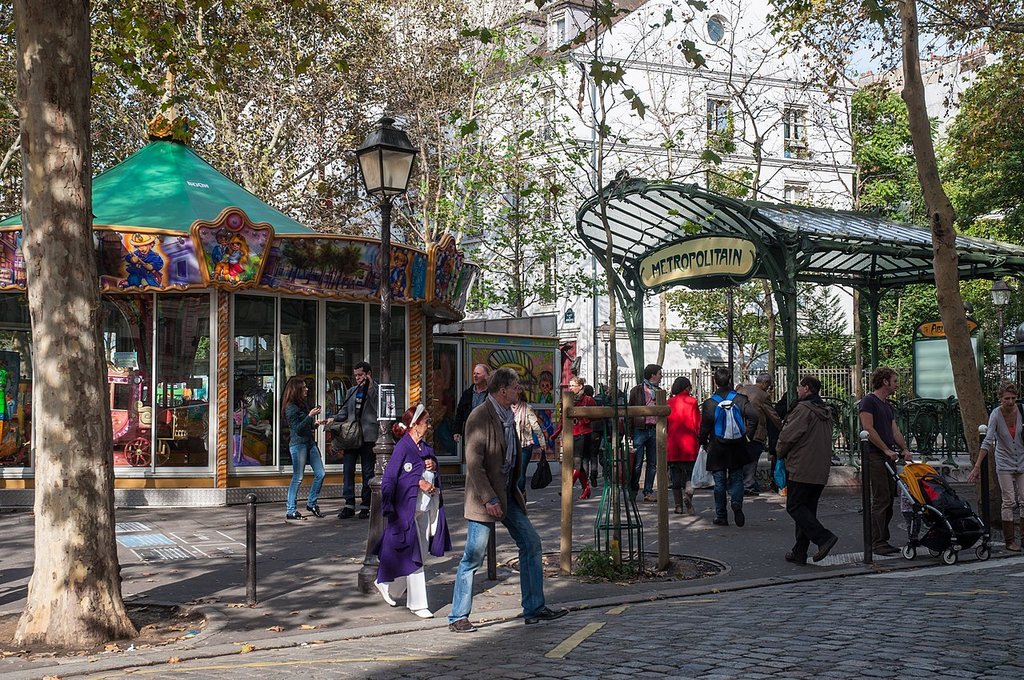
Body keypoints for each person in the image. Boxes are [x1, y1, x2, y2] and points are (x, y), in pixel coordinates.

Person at [448, 367, 568, 633]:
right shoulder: (479, 417)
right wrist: (489, 497)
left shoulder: (508, 415)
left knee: (531, 543)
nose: (518, 391)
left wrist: (515, 490)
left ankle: (534, 607)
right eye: (515, 387)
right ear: (503, 390)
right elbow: (474, 465)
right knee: (474, 555)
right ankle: (458, 615)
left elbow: (511, 459)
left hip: (508, 494)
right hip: (484, 498)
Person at [374, 404, 451, 618]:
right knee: (415, 556)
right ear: (415, 424)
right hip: (407, 511)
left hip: (424, 508)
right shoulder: (402, 447)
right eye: (426, 422)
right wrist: (417, 482)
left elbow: (430, 462)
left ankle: (389, 587)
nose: (429, 426)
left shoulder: (423, 447)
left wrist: (432, 466)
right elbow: (391, 477)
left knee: (422, 554)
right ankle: (418, 604)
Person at [776, 375, 839, 564]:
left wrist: (779, 451)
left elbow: (788, 436)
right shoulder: (825, 412)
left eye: (799, 387)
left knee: (794, 506)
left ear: (807, 388)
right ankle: (799, 551)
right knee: (807, 511)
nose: (797, 390)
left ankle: (823, 537)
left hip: (802, 466)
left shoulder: (803, 409)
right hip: (819, 468)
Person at [859, 366, 913, 555]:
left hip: (886, 456)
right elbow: (868, 428)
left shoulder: (887, 406)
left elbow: (894, 430)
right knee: (881, 498)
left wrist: (904, 448)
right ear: (885, 382)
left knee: (889, 497)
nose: (897, 385)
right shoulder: (868, 402)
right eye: (895, 381)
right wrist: (885, 448)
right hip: (874, 455)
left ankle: (883, 538)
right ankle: (877, 541)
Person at [970, 382, 1024, 552]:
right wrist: (977, 466)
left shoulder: (1022, 410)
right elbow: (988, 440)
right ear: (1000, 399)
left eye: (1013, 398)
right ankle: (1009, 540)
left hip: (1022, 459)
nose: (1010, 402)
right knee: (1008, 500)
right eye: (1006, 398)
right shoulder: (996, 414)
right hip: (1005, 461)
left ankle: (1023, 537)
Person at [699, 367, 756, 527]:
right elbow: (754, 416)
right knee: (737, 477)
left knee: (719, 482)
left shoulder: (710, 403)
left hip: (717, 446)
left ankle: (721, 516)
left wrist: (702, 442)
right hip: (737, 444)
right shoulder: (740, 399)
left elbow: (705, 426)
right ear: (730, 379)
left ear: (715, 381)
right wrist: (747, 435)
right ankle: (737, 503)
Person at [281, 376, 332, 520]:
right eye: (303, 387)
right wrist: (310, 416)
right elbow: (297, 429)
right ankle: (291, 510)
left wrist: (316, 423)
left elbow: (306, 425)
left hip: (309, 443)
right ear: (296, 390)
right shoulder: (290, 407)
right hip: (298, 444)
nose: (307, 389)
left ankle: (311, 503)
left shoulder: (301, 404)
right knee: (298, 477)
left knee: (320, 473)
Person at [338, 361, 379, 519]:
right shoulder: (351, 391)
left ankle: (365, 504)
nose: (357, 378)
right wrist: (332, 419)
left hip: (369, 437)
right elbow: (344, 412)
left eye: (360, 375)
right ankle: (348, 503)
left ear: (368, 374)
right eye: (355, 375)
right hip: (352, 436)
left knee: (367, 472)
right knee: (348, 470)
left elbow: (378, 408)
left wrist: (369, 389)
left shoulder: (376, 390)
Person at [738, 373, 783, 496]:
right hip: (756, 432)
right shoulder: (763, 395)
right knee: (752, 459)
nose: (769, 388)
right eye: (769, 385)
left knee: (741, 459)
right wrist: (782, 427)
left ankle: (740, 484)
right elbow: (772, 414)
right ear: (765, 383)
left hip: (740, 430)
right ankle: (748, 485)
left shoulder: (742, 390)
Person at [628, 364, 663, 502]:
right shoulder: (637, 390)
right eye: (660, 373)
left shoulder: (660, 391)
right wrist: (630, 431)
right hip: (640, 429)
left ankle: (648, 491)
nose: (661, 376)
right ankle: (633, 488)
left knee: (652, 463)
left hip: (654, 429)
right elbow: (630, 410)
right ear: (652, 375)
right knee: (636, 463)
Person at [667, 376, 700, 515]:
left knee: (675, 476)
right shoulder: (693, 402)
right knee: (690, 475)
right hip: (689, 443)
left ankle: (678, 506)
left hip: (673, 443)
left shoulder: (668, 402)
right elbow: (697, 423)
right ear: (687, 387)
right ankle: (688, 495)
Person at [567, 376, 597, 500]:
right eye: (570, 385)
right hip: (571, 433)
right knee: (578, 464)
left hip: (584, 433)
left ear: (580, 387)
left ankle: (568, 487)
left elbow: (596, 415)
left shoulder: (588, 399)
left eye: (573, 385)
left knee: (578, 463)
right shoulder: (568, 398)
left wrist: (584, 418)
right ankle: (586, 489)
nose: (570, 388)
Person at [513, 385, 546, 492]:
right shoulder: (506, 408)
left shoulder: (527, 408)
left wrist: (542, 442)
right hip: (510, 445)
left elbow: (535, 426)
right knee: (511, 472)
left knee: (520, 472)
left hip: (524, 445)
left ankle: (521, 496)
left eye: (514, 392)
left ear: (519, 395)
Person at [454, 363, 491, 443]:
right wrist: (457, 431)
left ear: (486, 376)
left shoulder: (491, 395)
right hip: (470, 434)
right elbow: (460, 413)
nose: (475, 376)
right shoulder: (467, 394)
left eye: (478, 374)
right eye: (474, 373)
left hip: (486, 435)